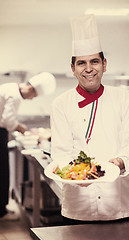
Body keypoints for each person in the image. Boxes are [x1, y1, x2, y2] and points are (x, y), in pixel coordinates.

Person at [50, 15, 129, 224]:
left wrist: (121, 160)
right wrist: (76, 175)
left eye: (94, 61)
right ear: (72, 68)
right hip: (78, 208)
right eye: (81, 63)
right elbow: (61, 152)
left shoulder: (123, 97)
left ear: (104, 64)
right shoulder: (61, 104)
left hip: (121, 205)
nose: (89, 68)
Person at [0, 72, 56, 220]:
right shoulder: (15, 95)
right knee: (2, 171)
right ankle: (1, 212)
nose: (31, 99)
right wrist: (22, 128)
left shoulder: (10, 88)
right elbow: (7, 121)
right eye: (34, 96)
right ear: (31, 89)